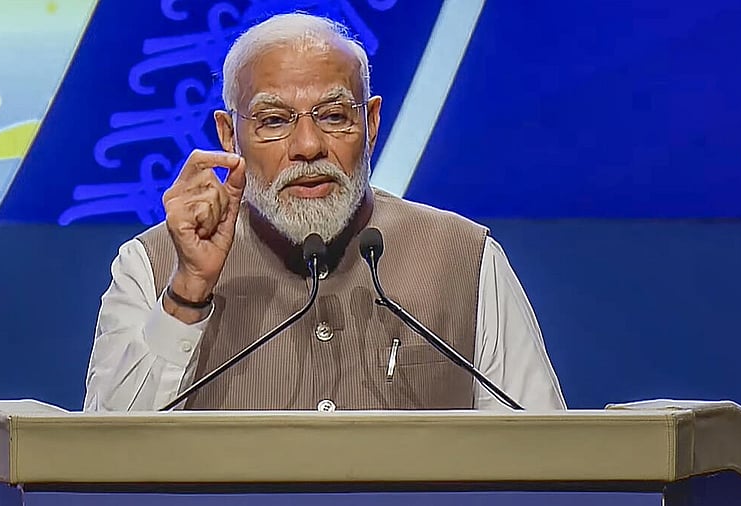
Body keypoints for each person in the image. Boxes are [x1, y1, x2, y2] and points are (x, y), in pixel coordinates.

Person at [83, 13, 565, 412]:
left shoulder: (466, 260)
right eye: (274, 121)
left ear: (371, 123)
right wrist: (188, 292)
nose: (308, 146)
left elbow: (545, 460)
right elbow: (100, 462)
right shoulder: (149, 265)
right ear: (230, 137)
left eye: (334, 116)